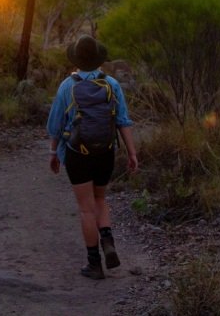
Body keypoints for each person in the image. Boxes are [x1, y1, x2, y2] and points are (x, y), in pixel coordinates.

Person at [46, 34, 139, 280]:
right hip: (105, 152)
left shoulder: (67, 86)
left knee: (86, 210)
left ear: (76, 59)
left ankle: (94, 264)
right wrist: (131, 153)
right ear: (99, 59)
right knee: (100, 199)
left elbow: (56, 125)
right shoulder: (112, 84)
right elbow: (123, 121)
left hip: (78, 154)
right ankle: (107, 240)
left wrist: (54, 152)